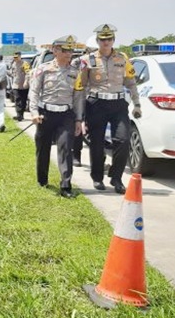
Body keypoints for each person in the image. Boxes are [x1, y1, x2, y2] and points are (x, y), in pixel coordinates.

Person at [76, 24, 141, 194]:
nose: (106, 42)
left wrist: (137, 104)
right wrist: (80, 113)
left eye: (109, 39)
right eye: (103, 39)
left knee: (123, 140)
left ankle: (116, 177)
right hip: (96, 104)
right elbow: (81, 86)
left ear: (113, 40)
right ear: (98, 41)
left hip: (118, 104)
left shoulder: (122, 58)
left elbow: (131, 82)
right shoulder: (87, 60)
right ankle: (97, 177)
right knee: (96, 143)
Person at [29, 35, 84, 198]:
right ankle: (42, 180)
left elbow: (78, 97)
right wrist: (34, 112)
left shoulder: (75, 73)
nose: (69, 54)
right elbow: (34, 92)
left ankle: (66, 185)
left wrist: (79, 119)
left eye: (71, 50)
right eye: (65, 50)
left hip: (66, 115)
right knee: (42, 148)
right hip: (45, 114)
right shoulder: (43, 69)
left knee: (66, 147)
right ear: (55, 50)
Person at [11, 51, 31, 121]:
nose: (15, 59)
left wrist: (26, 82)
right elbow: (12, 73)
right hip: (16, 85)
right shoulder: (13, 64)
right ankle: (18, 115)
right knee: (17, 100)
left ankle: (21, 114)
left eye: (17, 57)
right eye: (14, 57)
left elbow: (28, 73)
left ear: (20, 56)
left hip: (23, 86)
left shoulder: (24, 64)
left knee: (23, 100)